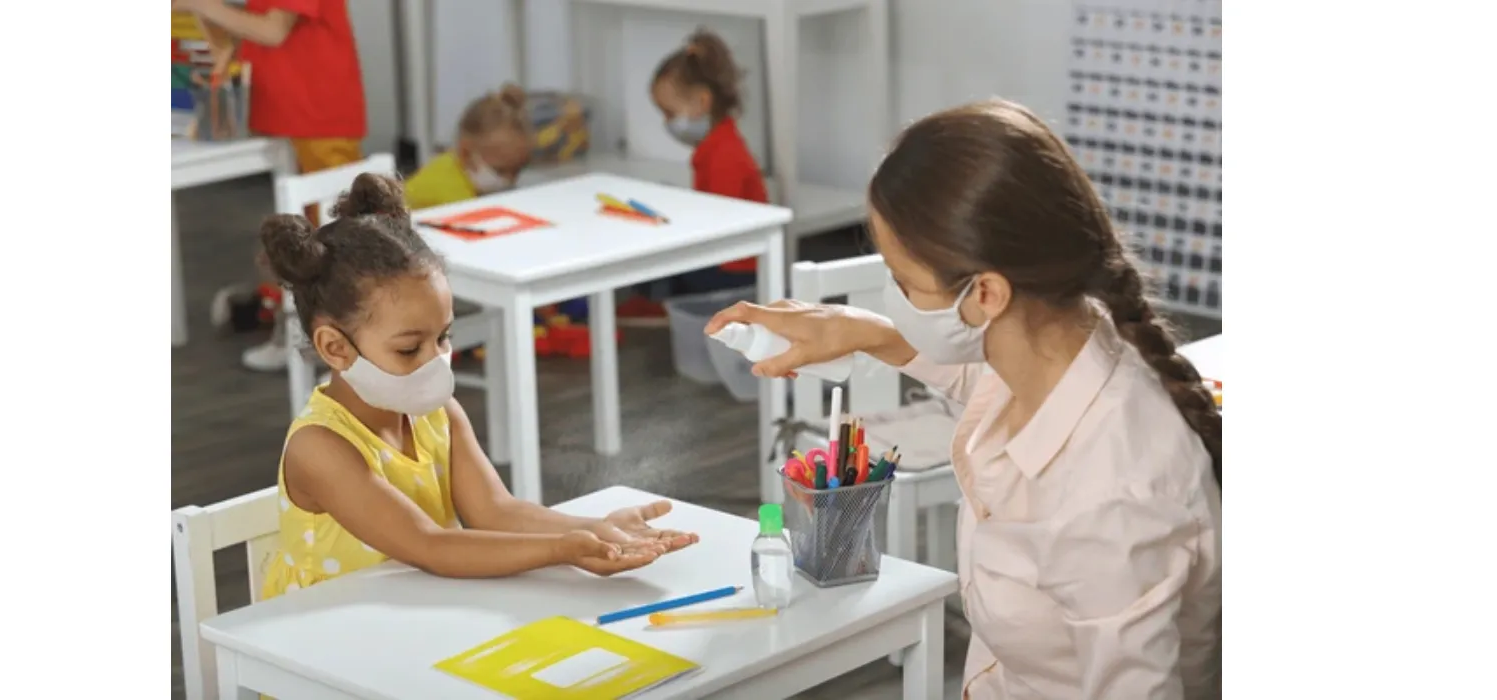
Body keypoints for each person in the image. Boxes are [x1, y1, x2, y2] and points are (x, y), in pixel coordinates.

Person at [706, 100, 1222, 699]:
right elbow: (980, 383)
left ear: (985, 294)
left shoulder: (1111, 494)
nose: (893, 294)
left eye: (902, 281)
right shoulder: (1060, 343)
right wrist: (864, 331)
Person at [258, 172, 697, 597]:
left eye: (444, 337)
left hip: (419, 614)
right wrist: (564, 550)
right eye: (410, 349)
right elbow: (429, 545)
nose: (437, 361)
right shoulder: (319, 447)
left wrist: (595, 530)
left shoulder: (437, 414)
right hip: (323, 639)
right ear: (336, 348)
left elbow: (496, 511)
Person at [174, 0, 369, 372]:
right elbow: (244, 29)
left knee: (335, 243)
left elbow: (272, 30)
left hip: (317, 116)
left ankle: (331, 339)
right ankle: (301, 328)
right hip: (287, 113)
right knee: (300, 237)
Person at [619, 28, 767, 323]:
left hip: (733, 268)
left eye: (670, 113)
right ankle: (659, 299)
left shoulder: (724, 154)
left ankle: (660, 303)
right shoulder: (716, 145)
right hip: (729, 261)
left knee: (656, 253)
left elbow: (719, 224)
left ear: (701, 103)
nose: (668, 123)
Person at [402, 84, 534, 210]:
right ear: (466, 153)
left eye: (516, 170)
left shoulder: (454, 161)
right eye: (500, 171)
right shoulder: (453, 197)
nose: (509, 180)